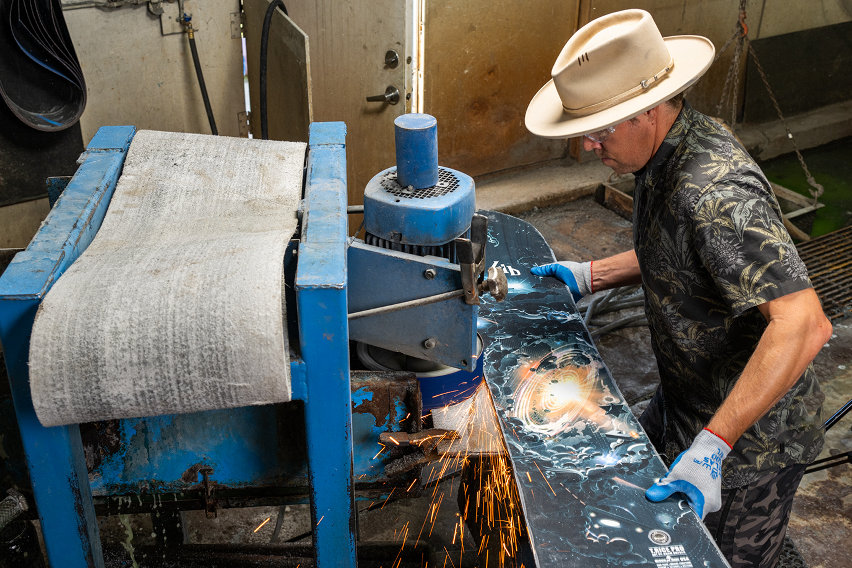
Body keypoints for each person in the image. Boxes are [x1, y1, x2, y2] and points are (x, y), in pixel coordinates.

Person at [524, 9, 832, 568]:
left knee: (717, 558)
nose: (590, 146)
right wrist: (591, 275)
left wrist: (713, 446)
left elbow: (804, 323)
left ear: (646, 111)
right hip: (686, 398)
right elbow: (677, 248)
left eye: (600, 131)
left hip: (752, 440)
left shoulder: (714, 191)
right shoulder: (665, 149)